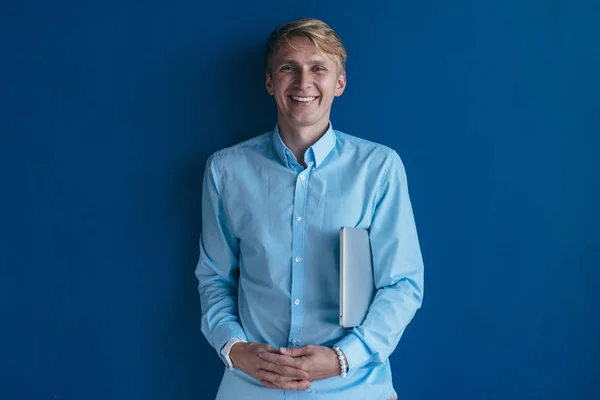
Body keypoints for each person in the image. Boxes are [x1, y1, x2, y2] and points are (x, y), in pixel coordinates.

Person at [195, 18, 424, 400]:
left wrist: (342, 359)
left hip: (354, 389)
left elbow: (402, 285)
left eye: (318, 68)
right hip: (252, 390)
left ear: (340, 83)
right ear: (270, 82)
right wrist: (235, 350)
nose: (303, 83)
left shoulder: (380, 168)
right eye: (289, 68)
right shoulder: (225, 171)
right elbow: (215, 278)